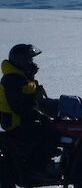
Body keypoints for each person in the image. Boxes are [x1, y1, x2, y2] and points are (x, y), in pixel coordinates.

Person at [0, 44, 60, 176]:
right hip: (16, 124)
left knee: (54, 128)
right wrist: (39, 116)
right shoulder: (12, 80)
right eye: (30, 60)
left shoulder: (20, 77)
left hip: (22, 120)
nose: (32, 63)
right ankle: (40, 168)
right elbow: (19, 107)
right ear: (21, 62)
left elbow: (30, 98)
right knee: (48, 135)